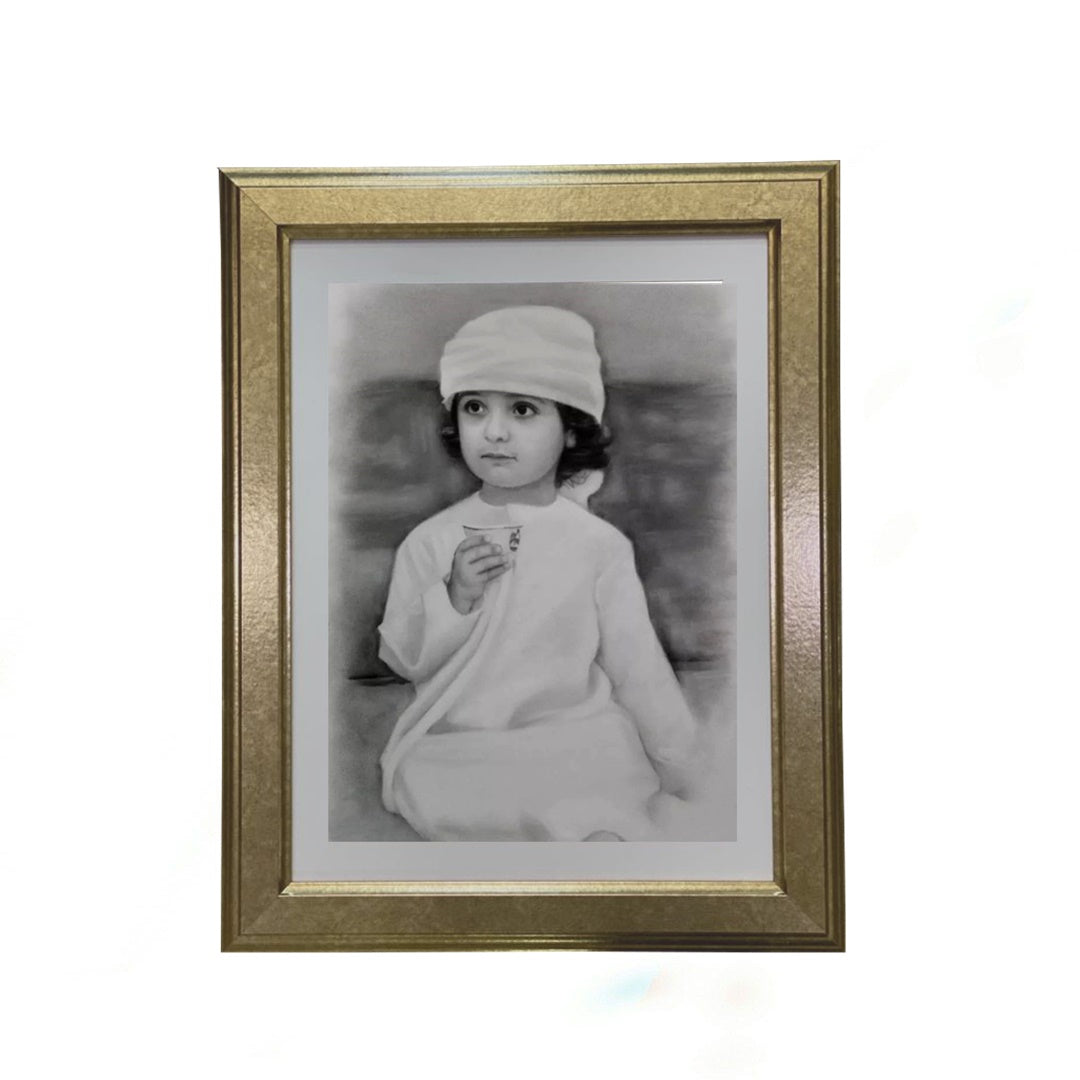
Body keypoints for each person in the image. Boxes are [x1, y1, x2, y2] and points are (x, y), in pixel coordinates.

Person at [377, 306, 699, 841]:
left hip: (574, 731)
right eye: (475, 408)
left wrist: (680, 759)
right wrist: (454, 597)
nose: (494, 432)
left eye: (523, 410)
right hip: (461, 743)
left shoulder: (598, 545)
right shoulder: (430, 541)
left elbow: (637, 666)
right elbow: (402, 657)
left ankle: (591, 831)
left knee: (604, 762)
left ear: (571, 430)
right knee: (432, 777)